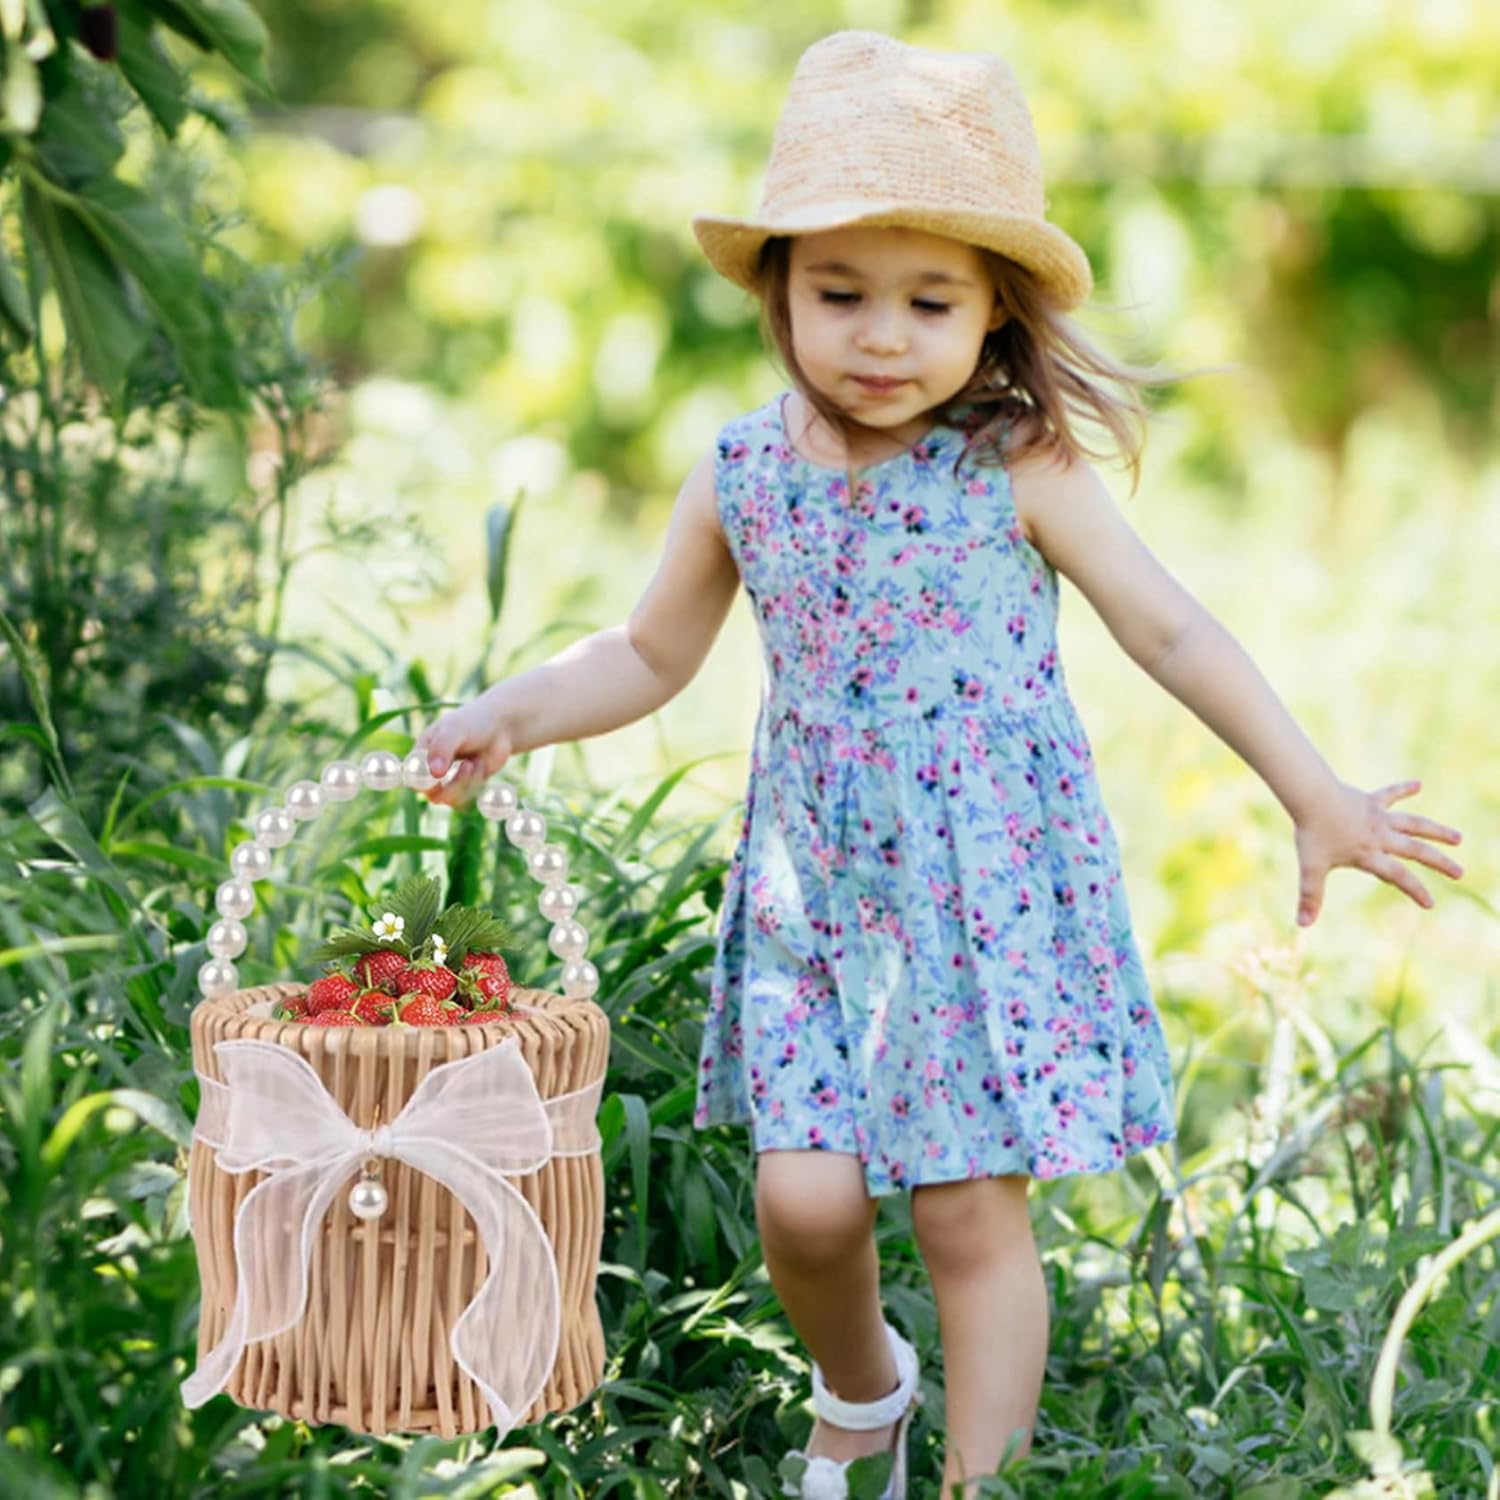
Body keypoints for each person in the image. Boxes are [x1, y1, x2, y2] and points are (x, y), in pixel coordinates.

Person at [413, 29, 1466, 1499]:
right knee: (806, 1205)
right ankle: (865, 1391)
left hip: (985, 884)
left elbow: (1168, 629)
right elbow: (648, 653)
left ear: (993, 313)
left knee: (972, 1215)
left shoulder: (1016, 462)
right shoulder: (741, 472)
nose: (884, 337)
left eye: (931, 301)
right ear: (779, 290)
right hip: (813, 896)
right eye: (842, 294)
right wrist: (509, 710)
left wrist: (1318, 793)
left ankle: (983, 1481)